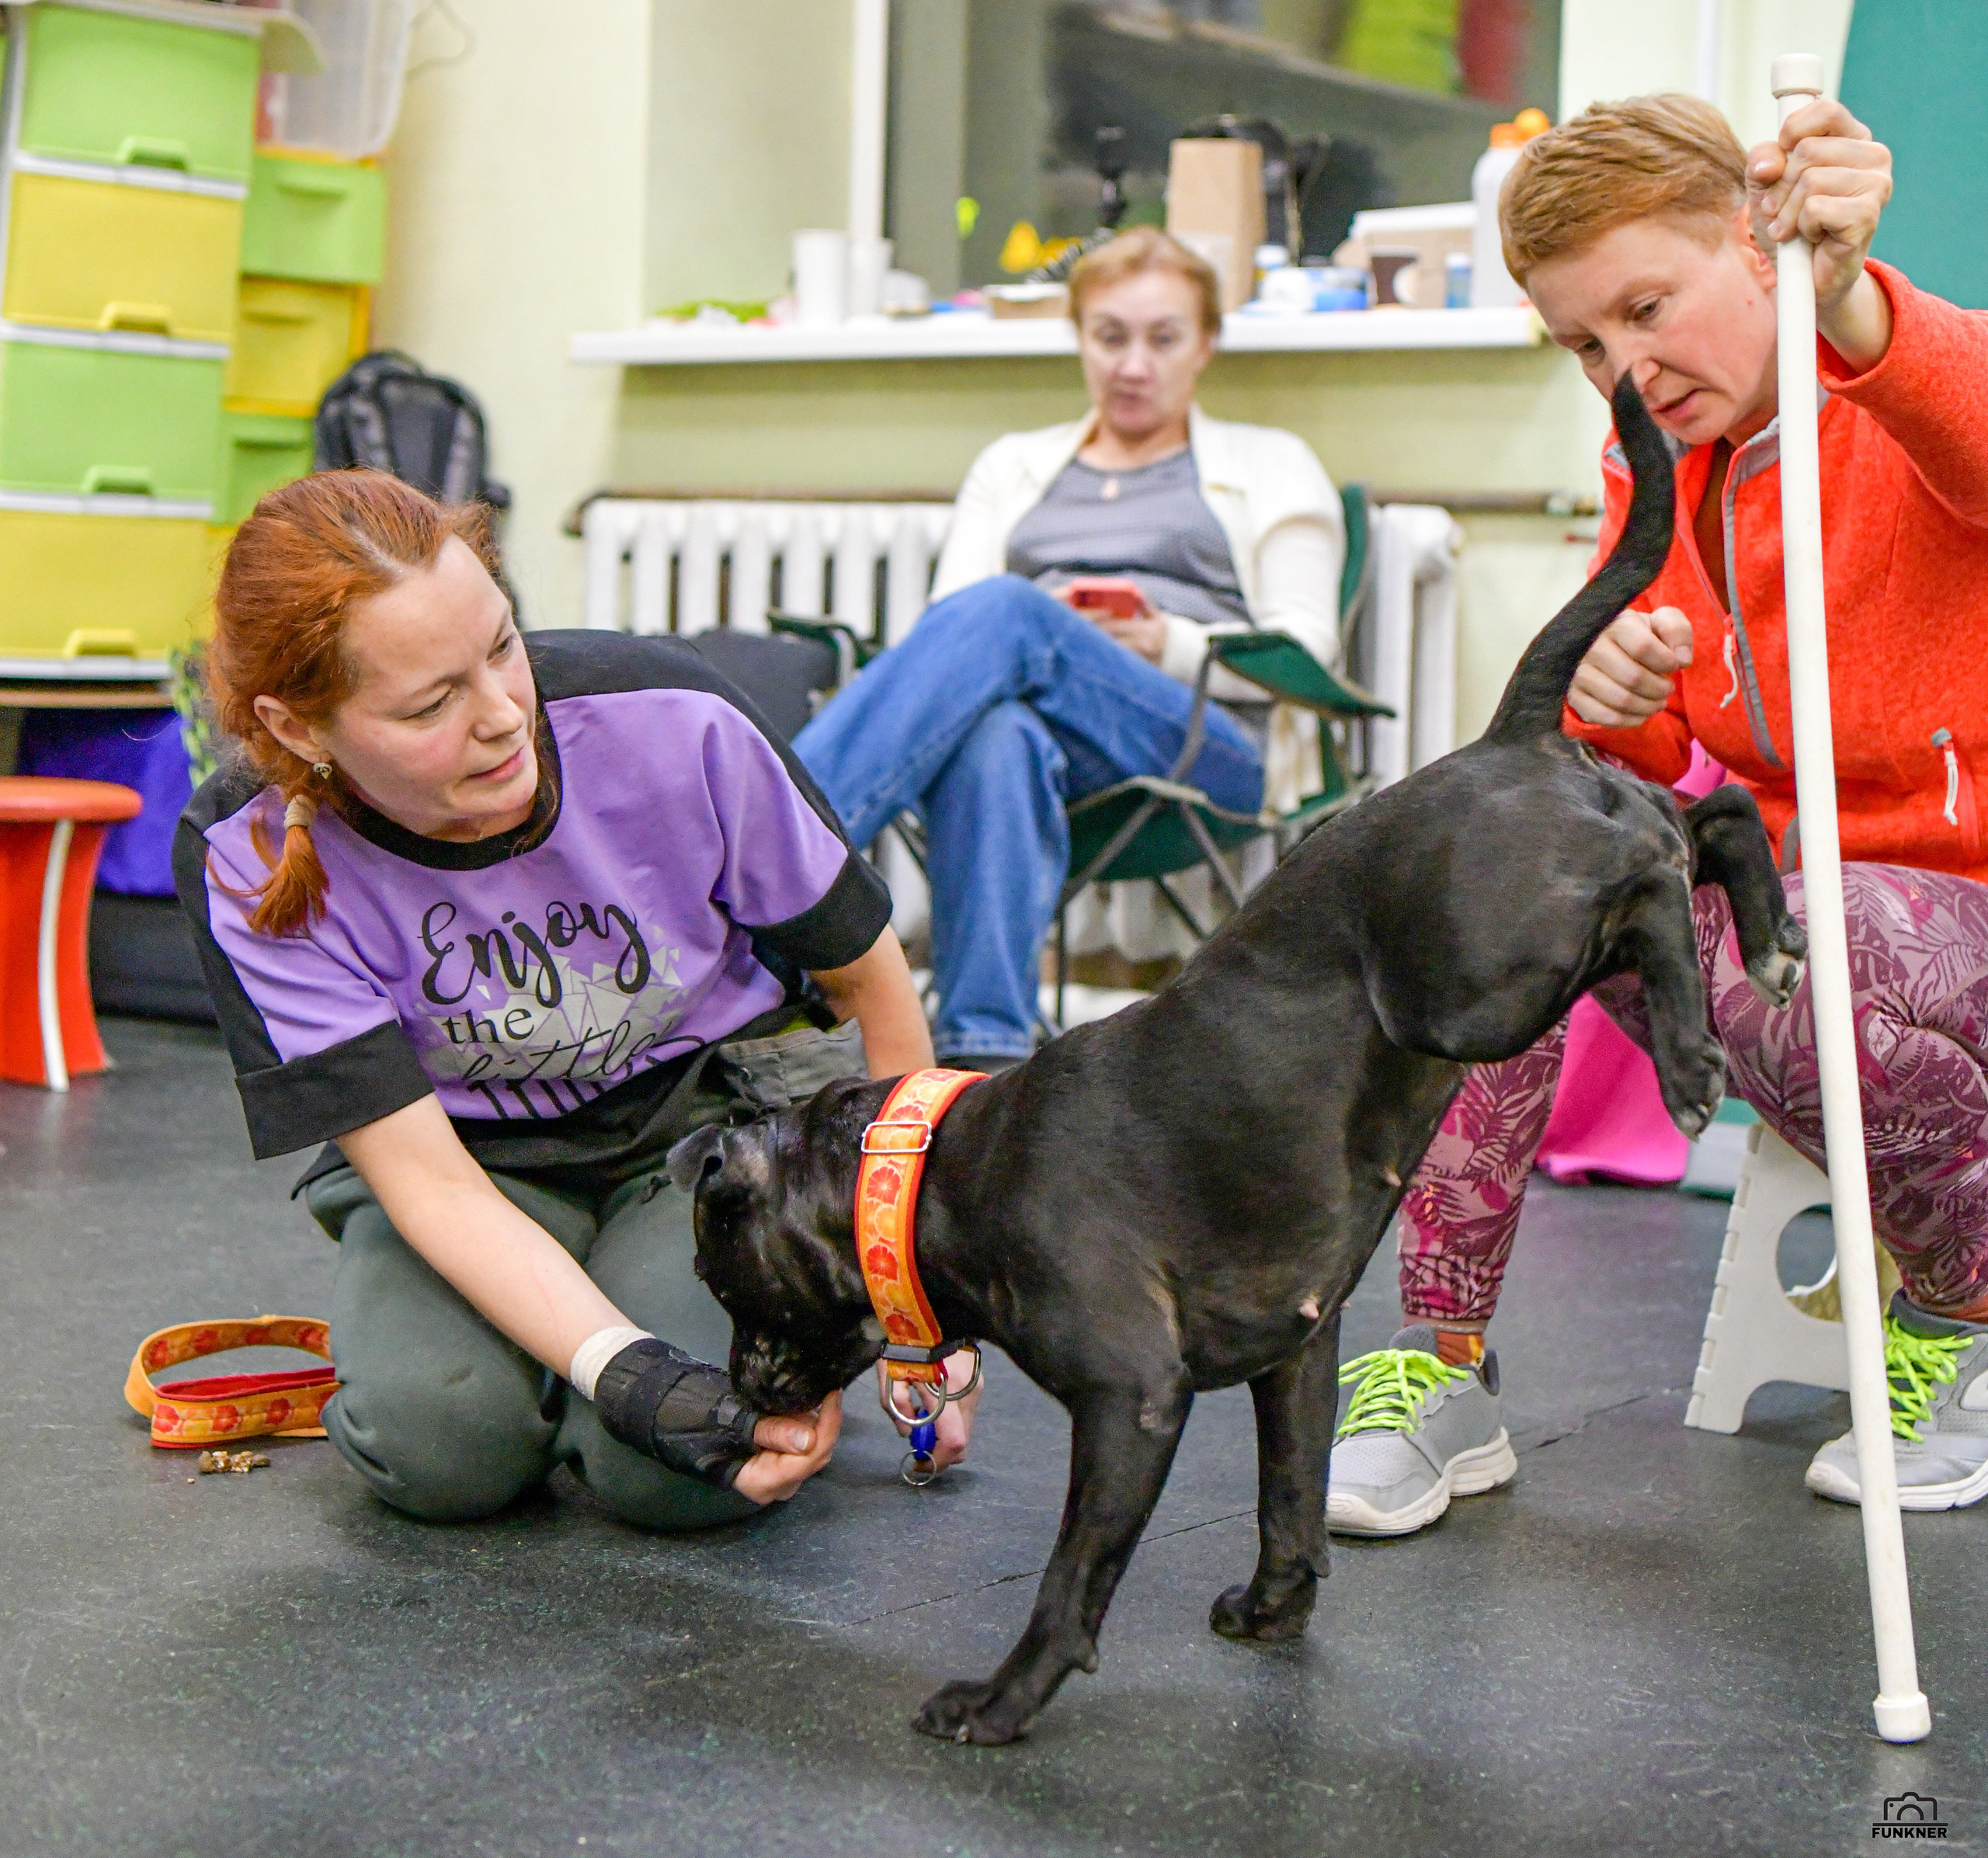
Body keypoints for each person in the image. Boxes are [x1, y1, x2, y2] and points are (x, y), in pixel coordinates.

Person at [1327, 90, 1988, 1535]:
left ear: (1758, 245)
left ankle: (1972, 1309)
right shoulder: (1655, 469)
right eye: (1584, 344)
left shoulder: (1909, 382)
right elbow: (1644, 754)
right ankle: (1438, 1364)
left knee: (1787, 943)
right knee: (1505, 893)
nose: (1624, 365)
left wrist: (1854, 306)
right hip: (1812, 929)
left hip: (1953, 921)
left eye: (1645, 307)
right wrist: (1617, 685)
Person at [173, 468, 971, 1528]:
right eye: (430, 703)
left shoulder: (672, 718)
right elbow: (432, 1187)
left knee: (678, 1475)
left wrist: (908, 1299)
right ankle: (547, 1352)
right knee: (441, 1447)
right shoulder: (247, 850)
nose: (505, 716)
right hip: (472, 1162)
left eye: (501, 646)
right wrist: (626, 1370)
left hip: (710, 1125)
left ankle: (618, 1322)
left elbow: (873, 986)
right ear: (304, 729)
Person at [793, 226, 1345, 1069]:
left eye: (1163, 339)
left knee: (1013, 613)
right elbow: (952, 628)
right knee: (993, 732)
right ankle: (984, 1062)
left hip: (1206, 745)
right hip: (1045, 733)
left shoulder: (1273, 465)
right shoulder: (1012, 465)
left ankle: (763, 859)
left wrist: (1165, 641)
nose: (1133, 364)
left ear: (1206, 345)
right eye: (1110, 336)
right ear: (1079, 336)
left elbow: (1304, 652)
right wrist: (1047, 632)